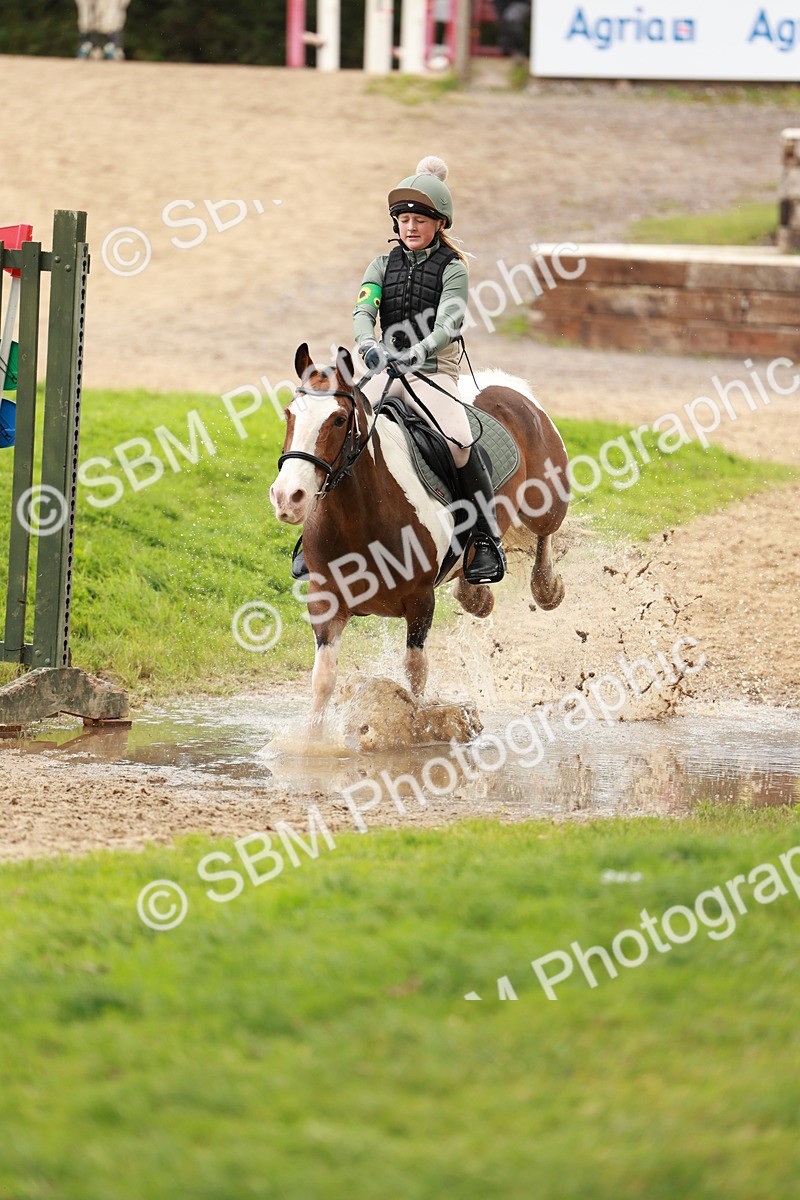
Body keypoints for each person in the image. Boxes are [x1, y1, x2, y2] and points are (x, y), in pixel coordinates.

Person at [290, 157, 505, 587]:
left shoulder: (453, 269)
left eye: (419, 220)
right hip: (386, 371)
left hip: (433, 373)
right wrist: (367, 343)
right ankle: (311, 536)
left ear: (439, 223)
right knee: (342, 426)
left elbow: (448, 324)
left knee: (460, 443)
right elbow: (363, 310)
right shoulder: (380, 266)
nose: (410, 227)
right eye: (404, 220)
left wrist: (418, 351)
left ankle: (484, 538)